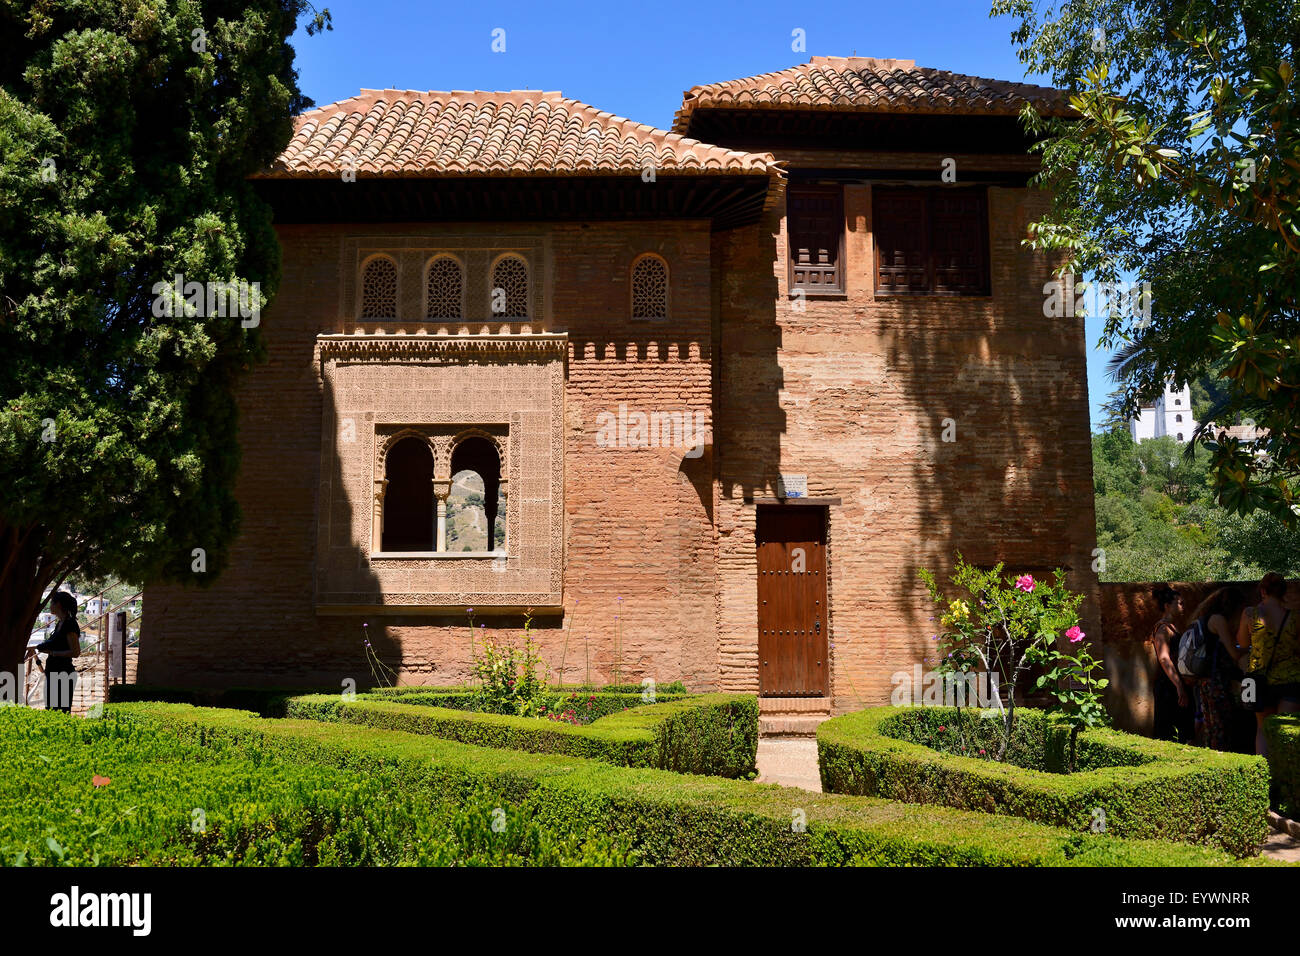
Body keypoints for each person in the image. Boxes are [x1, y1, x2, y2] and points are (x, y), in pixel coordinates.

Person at [1237, 572, 1300, 755]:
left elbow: (1242, 643)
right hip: (1290, 680)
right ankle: (1287, 779)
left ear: (1263, 591)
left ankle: (1265, 776)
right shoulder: (1295, 617)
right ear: (1283, 592)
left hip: (1258, 679)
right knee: (1287, 733)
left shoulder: (1250, 613)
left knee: (1262, 729)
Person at [1189, 586, 1248, 750]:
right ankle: (1220, 763)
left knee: (1211, 728)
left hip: (1205, 682)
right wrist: (1250, 649)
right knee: (1221, 727)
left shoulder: (1206, 618)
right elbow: (1234, 653)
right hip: (1216, 682)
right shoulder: (1218, 620)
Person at [1148, 584, 1194, 743]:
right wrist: (1179, 686)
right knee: (1168, 733)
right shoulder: (1162, 629)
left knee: (1182, 730)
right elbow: (1164, 658)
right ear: (1167, 606)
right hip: (1168, 687)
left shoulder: (1173, 627)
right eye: (1179, 603)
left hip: (1174, 685)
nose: (1183, 606)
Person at [35, 591, 80, 712]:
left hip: (63, 673)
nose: (50, 605)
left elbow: (75, 652)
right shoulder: (60, 623)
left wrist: (53, 652)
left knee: (59, 712)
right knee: (52, 710)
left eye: (51, 602)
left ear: (58, 604)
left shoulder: (69, 624)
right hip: (54, 673)